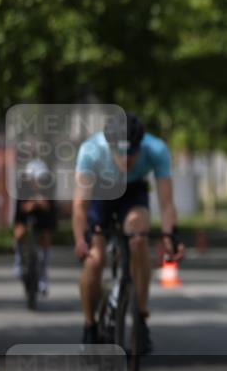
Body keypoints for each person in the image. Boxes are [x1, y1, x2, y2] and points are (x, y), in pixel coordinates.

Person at [73, 113, 183, 349]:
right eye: (119, 154)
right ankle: (89, 324)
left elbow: (166, 204)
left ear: (140, 146)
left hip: (133, 193)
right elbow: (80, 205)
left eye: (131, 153)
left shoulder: (157, 149)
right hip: (101, 192)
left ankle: (141, 317)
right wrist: (81, 239)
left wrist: (170, 237)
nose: (125, 159)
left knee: (139, 236)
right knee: (96, 259)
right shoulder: (90, 150)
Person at [12, 158, 57, 296]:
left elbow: (53, 211)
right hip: (25, 219)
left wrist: (44, 205)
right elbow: (19, 212)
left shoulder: (48, 189)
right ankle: (19, 263)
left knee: (46, 239)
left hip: (43, 220)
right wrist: (30, 205)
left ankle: (43, 276)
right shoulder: (22, 189)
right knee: (19, 233)